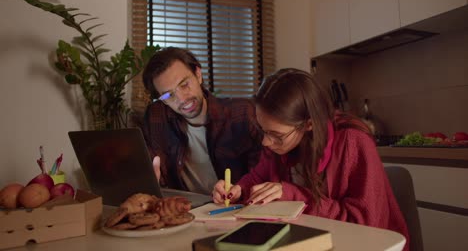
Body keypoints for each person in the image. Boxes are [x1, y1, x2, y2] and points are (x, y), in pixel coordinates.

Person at [212, 68, 410, 251]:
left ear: (308, 125)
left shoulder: (353, 141)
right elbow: (257, 179)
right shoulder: (278, 146)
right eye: (262, 130)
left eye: (276, 135)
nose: (265, 142)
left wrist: (293, 196)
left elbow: (365, 224)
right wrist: (238, 190)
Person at [141, 47, 263, 195]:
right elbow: (154, 171)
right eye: (168, 96)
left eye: (184, 84)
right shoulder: (156, 116)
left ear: (198, 74)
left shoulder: (243, 113)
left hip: (237, 208)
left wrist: (239, 191)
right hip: (187, 210)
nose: (182, 98)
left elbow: (264, 176)